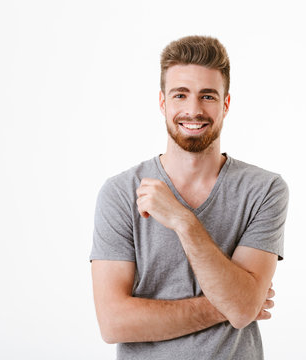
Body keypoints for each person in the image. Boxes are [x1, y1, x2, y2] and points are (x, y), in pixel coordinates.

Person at [90, 35, 289, 360]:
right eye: (180, 95)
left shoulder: (264, 190)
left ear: (225, 104)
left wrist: (183, 221)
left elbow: (242, 309)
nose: (193, 110)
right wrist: (232, 304)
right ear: (162, 102)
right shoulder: (120, 193)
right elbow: (113, 322)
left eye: (207, 96)